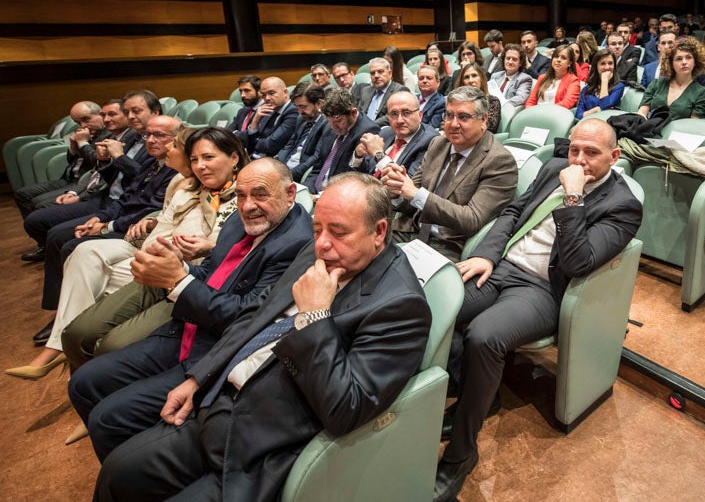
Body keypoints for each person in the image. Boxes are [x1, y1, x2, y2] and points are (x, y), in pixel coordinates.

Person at [92, 173, 431, 502]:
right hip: (219, 401)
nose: (323, 243)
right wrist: (200, 377)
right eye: (317, 229)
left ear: (379, 232)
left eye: (339, 232)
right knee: (118, 472)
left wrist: (314, 318)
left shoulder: (401, 305)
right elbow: (255, 316)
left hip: (263, 446)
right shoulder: (319, 251)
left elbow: (346, 409)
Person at [434, 119, 643, 501]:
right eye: (574, 150)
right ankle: (480, 393)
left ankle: (461, 454)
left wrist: (574, 198)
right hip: (501, 267)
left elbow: (579, 262)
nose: (578, 160)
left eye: (591, 153)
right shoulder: (551, 168)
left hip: (543, 289)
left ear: (614, 157)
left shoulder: (622, 205)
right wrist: (486, 255)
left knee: (485, 335)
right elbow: (512, 214)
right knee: (439, 310)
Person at [67, 158, 313, 462]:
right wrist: (178, 265)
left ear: (290, 193)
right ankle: (131, 453)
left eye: (260, 194)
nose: (247, 205)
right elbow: (212, 273)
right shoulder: (238, 221)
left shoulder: (300, 244)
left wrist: (177, 280)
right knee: (83, 382)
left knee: (108, 418)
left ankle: (133, 466)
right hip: (184, 329)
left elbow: (247, 316)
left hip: (215, 350)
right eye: (240, 194)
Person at [5, 127, 247, 382]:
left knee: (108, 341)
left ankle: (87, 374)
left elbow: (246, 250)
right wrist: (160, 246)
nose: (200, 166)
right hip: (159, 267)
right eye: (195, 159)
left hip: (197, 280)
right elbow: (155, 228)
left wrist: (206, 247)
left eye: (208, 158)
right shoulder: (187, 190)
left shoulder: (247, 195)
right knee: (76, 327)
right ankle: (69, 359)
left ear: (234, 158)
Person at [37, 115, 180, 343]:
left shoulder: (175, 171)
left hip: (135, 230)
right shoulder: (151, 163)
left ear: (177, 139)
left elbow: (149, 211)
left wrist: (107, 226)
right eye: (147, 135)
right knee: (62, 238)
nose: (151, 140)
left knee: (73, 247)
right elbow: (124, 197)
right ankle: (68, 322)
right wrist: (98, 218)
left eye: (159, 135)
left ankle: (71, 326)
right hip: (119, 218)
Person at [383, 86, 517, 262]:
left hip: (446, 244)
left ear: (483, 119)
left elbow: (472, 219)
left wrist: (416, 194)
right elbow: (411, 198)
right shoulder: (438, 144)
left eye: (463, 117)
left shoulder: (499, 161)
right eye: (449, 115)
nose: (453, 124)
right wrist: (397, 192)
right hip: (409, 230)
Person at [14, 101, 109, 219]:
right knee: (22, 194)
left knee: (39, 203)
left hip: (81, 182)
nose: (83, 125)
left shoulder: (108, 136)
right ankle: (34, 226)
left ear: (100, 115)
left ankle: (41, 225)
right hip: (67, 178)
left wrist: (83, 143)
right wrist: (73, 147)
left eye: (86, 119)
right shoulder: (88, 133)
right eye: (78, 122)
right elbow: (72, 162)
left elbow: (98, 163)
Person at [309, 89, 380, 195]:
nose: (332, 126)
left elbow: (355, 179)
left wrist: (320, 196)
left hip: (339, 195)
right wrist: (306, 190)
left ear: (353, 113)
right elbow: (318, 167)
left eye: (338, 121)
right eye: (329, 121)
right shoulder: (331, 126)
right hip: (315, 191)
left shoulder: (368, 132)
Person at [350, 90, 437, 176]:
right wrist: (358, 156)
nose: (399, 120)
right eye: (394, 114)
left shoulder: (430, 142)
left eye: (406, 113)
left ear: (420, 115)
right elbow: (368, 171)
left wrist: (378, 154)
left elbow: (406, 183)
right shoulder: (385, 132)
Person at [637, 37, 705, 122]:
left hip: (681, 134)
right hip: (651, 130)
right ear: (671, 64)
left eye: (688, 57)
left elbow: (693, 125)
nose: (684, 62)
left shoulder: (701, 93)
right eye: (679, 59)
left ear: (695, 61)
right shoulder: (656, 84)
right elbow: (642, 113)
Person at [274, 83, 329, 182]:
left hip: (300, 173)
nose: (299, 111)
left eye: (303, 107)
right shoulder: (301, 119)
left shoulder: (328, 124)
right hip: (285, 168)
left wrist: (288, 176)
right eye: (297, 107)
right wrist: (277, 165)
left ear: (319, 104)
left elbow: (316, 157)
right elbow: (289, 146)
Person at [234, 77, 299, 159]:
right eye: (264, 95)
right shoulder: (268, 110)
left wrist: (253, 141)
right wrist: (255, 121)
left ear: (285, 92)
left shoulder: (294, 112)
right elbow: (252, 142)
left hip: (272, 163)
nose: (267, 98)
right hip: (253, 158)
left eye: (271, 93)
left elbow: (269, 145)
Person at [525, 44, 581, 109]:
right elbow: (531, 101)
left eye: (563, 58)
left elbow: (567, 103)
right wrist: (529, 111)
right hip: (535, 114)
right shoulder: (542, 77)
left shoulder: (573, 80)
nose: (558, 60)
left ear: (569, 63)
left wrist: (544, 111)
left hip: (555, 114)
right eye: (556, 57)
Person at [576, 48, 625, 119]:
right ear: (596, 66)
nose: (607, 67)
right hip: (586, 124)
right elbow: (578, 115)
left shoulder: (619, 87)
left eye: (610, 63)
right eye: (602, 63)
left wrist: (604, 81)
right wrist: (594, 110)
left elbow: (604, 109)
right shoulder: (586, 89)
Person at [358, 57, 407, 126]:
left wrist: (368, 126)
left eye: (380, 72)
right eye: (372, 73)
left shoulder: (399, 91)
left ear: (389, 73)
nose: (376, 76)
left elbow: (392, 116)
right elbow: (359, 114)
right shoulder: (366, 91)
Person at [457, 63, 501, 132]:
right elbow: (446, 121)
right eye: (467, 77)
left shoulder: (492, 101)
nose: (471, 80)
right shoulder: (457, 101)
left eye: (474, 76)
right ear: (462, 82)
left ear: (481, 79)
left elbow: (490, 127)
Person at [488, 43, 533, 107]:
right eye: (508, 58)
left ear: (520, 63)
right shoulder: (495, 76)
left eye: (514, 59)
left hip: (507, 111)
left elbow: (520, 98)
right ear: (504, 60)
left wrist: (501, 104)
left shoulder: (524, 79)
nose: (510, 62)